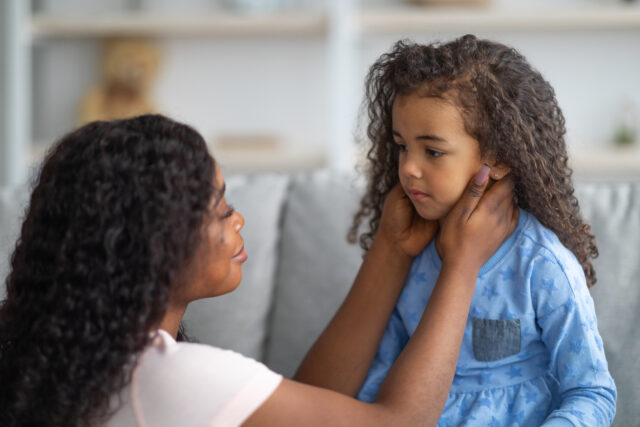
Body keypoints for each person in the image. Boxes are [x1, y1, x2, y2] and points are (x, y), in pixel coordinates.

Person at [0, 114, 515, 427]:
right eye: (220, 207)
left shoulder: (85, 361)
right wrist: (462, 265)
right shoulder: (168, 376)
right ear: (155, 240)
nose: (237, 218)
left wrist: (391, 248)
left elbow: (304, 408)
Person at [350, 35, 617, 426]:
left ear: (498, 157)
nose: (407, 167)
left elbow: (592, 392)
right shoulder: (410, 256)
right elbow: (380, 373)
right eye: (402, 146)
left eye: (433, 151)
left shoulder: (543, 266)